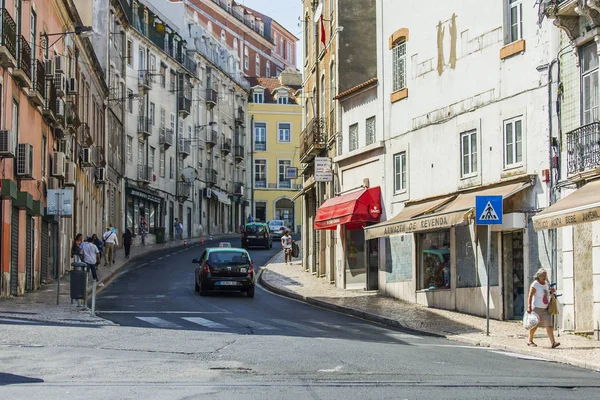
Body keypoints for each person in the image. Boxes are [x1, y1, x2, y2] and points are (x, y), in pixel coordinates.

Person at [526, 268, 559, 348]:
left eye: (545, 275)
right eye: (543, 275)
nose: (544, 277)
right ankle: (530, 341)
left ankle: (553, 342)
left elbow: (547, 294)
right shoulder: (535, 284)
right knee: (534, 325)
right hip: (536, 308)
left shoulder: (546, 284)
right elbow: (530, 296)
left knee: (549, 325)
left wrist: (551, 292)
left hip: (545, 308)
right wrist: (529, 307)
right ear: (538, 276)